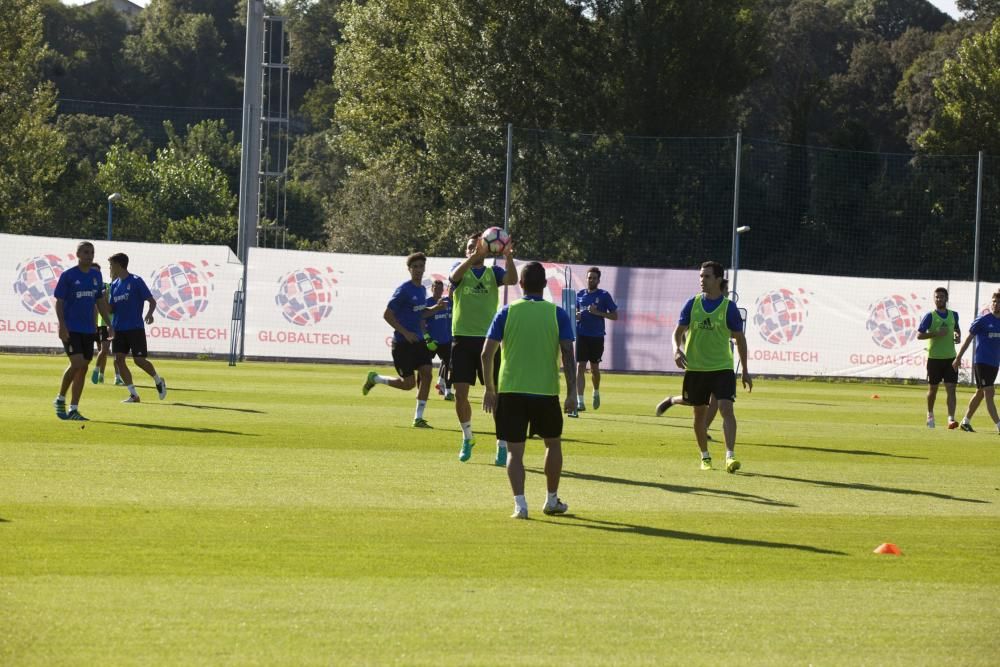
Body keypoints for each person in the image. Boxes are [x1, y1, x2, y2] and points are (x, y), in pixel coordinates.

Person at [481, 262, 577, 519]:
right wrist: (572, 393)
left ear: (520, 285)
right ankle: (551, 500)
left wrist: (490, 389)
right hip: (545, 392)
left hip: (511, 391)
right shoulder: (557, 314)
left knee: (514, 451)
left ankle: (520, 505)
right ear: (545, 286)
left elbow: (486, 354)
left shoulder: (506, 312)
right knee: (553, 445)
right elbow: (568, 353)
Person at [671, 261, 752, 472]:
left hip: (722, 368)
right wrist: (676, 350)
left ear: (718, 279)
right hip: (696, 369)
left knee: (726, 408)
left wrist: (744, 370)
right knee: (699, 414)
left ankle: (730, 457)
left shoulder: (729, 308)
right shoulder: (692, 303)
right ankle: (705, 456)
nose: (702, 280)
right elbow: (677, 333)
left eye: (706, 276)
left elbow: (740, 341)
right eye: (700, 276)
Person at [449, 232, 518, 464]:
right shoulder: (460, 269)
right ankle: (467, 438)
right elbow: (453, 277)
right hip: (462, 340)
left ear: (487, 248)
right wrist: (473, 257)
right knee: (460, 394)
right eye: (469, 247)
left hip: (489, 341)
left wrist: (508, 256)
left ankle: (501, 444)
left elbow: (513, 280)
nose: (472, 250)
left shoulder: (492, 272)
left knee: (497, 394)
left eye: (476, 247)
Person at [363, 252, 442, 428]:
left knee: (427, 374)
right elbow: (387, 315)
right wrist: (405, 333)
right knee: (408, 385)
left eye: (421, 266)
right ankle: (376, 379)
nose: (419, 270)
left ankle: (418, 418)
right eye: (415, 267)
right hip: (403, 343)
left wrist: (436, 308)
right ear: (409, 269)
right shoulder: (403, 290)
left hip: (419, 341)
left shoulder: (422, 289)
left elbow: (420, 313)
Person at [654, 278, 733, 436]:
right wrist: (680, 348)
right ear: (720, 288)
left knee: (716, 400)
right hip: (699, 362)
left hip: (719, 364)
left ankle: (704, 430)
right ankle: (672, 400)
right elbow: (682, 331)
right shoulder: (697, 303)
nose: (727, 293)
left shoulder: (726, 307)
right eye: (726, 290)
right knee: (695, 400)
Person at [53, 241, 114, 421]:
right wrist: (62, 325)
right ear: (78, 254)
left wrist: (109, 323)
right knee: (77, 363)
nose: (89, 255)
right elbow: (60, 301)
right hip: (71, 328)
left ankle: (74, 409)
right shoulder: (68, 276)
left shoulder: (96, 276)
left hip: (88, 329)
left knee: (84, 366)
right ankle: (60, 398)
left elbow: (99, 301)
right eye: (86, 252)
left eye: (92, 252)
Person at [107, 253, 166, 403]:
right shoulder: (113, 285)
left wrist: (150, 314)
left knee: (139, 360)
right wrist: (101, 300)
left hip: (135, 328)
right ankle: (134, 395)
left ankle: (158, 380)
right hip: (119, 329)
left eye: (111, 265)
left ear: (119, 265)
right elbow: (111, 309)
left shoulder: (135, 281)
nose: (110, 268)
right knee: (119, 360)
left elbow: (152, 301)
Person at [953, 289, 1000, 434]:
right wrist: (958, 357)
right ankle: (999, 425)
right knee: (989, 393)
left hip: (994, 363)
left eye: (999, 302)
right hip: (981, 362)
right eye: (994, 301)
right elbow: (968, 339)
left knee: (980, 392)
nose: (996, 304)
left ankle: (965, 422)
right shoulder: (983, 320)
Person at [916, 287, 961, 429]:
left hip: (950, 358)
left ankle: (951, 419)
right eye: (936, 297)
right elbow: (919, 335)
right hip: (934, 358)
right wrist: (935, 333)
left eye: (941, 297)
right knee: (933, 389)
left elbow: (956, 330)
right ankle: (930, 415)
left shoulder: (954, 315)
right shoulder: (929, 316)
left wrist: (957, 336)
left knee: (951, 388)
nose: (938, 299)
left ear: (946, 299)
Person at [575, 266, 618, 411]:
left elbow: (615, 316)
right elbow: (574, 312)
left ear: (598, 280)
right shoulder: (579, 294)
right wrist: (576, 316)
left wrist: (598, 312)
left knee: (594, 369)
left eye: (594, 278)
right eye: (589, 277)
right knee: (580, 366)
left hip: (597, 337)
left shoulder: (604, 295)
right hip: (582, 335)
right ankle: (580, 401)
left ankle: (596, 392)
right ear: (586, 278)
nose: (591, 280)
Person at [89, 262, 120, 386]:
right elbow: (100, 307)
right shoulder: (101, 287)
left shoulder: (113, 286)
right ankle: (98, 372)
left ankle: (117, 377)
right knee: (104, 350)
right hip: (102, 323)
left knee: (118, 352)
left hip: (117, 323)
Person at [424, 279, 454, 401]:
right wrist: (427, 338)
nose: (438, 291)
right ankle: (421, 392)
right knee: (424, 367)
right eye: (436, 288)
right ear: (432, 289)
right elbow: (420, 320)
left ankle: (447, 391)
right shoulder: (427, 303)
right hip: (431, 342)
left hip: (445, 341)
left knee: (450, 367)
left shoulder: (448, 302)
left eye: (441, 289)